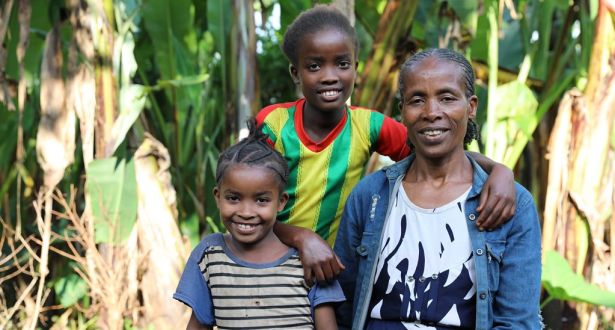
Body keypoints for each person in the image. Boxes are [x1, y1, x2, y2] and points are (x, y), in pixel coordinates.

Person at [256, 4, 517, 286]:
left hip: (327, 276)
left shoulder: (369, 126)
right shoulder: (273, 122)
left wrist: (501, 170)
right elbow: (249, 200)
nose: (330, 75)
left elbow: (436, 152)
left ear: (355, 69)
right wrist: (300, 236)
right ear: (296, 73)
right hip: (265, 263)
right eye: (315, 66)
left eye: (342, 64)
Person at [334, 48, 543, 330]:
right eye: (417, 100)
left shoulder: (511, 203)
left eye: (447, 98)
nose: (432, 112)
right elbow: (344, 306)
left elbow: (517, 322)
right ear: (403, 111)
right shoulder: (370, 195)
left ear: (471, 107)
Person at [174, 118, 345, 330]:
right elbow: (197, 326)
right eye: (233, 198)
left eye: (262, 200)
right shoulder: (209, 255)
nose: (246, 213)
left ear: (281, 202)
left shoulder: (308, 261)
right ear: (218, 198)